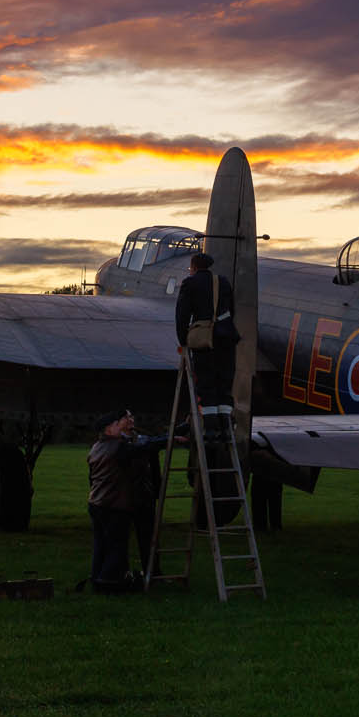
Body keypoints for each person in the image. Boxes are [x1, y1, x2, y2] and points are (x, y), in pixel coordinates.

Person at [87, 408, 164, 592]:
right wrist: (172, 438)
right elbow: (146, 447)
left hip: (98, 503)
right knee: (116, 547)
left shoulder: (97, 447)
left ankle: (98, 579)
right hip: (115, 504)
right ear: (108, 429)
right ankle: (108, 583)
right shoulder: (119, 446)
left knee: (102, 545)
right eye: (118, 422)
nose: (125, 422)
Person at [174, 252, 237, 404]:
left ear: (194, 267)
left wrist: (184, 339)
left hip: (204, 341)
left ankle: (210, 424)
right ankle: (225, 422)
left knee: (206, 382)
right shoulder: (223, 281)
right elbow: (231, 310)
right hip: (225, 337)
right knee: (223, 383)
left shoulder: (190, 283)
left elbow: (182, 314)